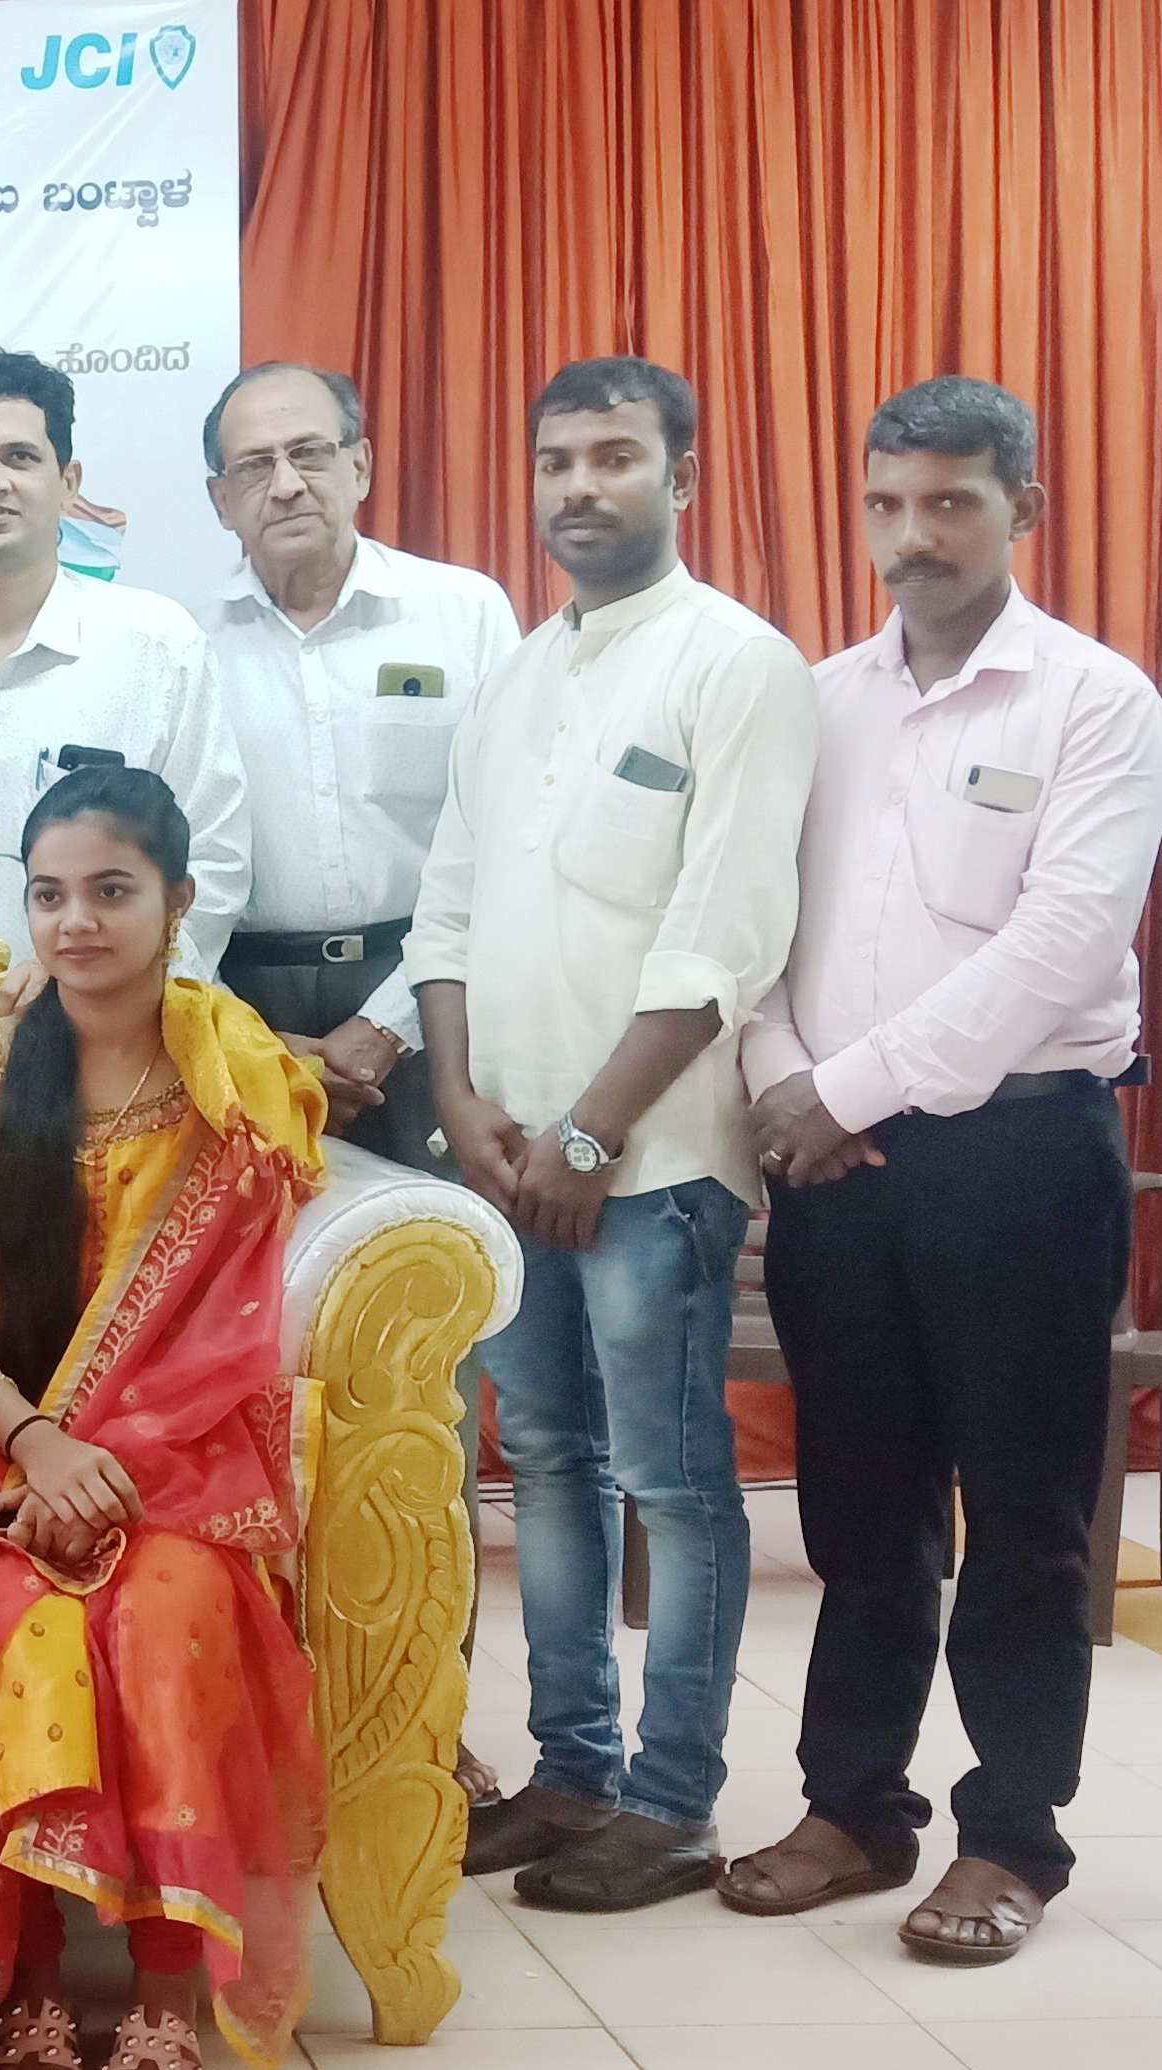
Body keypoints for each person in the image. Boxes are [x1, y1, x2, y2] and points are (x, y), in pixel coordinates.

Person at [719, 378, 1162, 1963]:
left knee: (1027, 1515)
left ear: (1022, 511)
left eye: (950, 503)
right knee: (857, 1509)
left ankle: (1012, 1838)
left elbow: (1063, 948)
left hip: (1019, 1154)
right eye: (886, 504)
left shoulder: (1096, 702)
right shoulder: (817, 701)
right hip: (834, 1166)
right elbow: (753, 925)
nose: (910, 537)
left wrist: (842, 1088)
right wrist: (781, 1082)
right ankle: (854, 1808)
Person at [406, 357, 814, 1914]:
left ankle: (674, 1801)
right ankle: (573, 1772)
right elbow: (449, 907)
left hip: (653, 1168)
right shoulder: (517, 679)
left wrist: (590, 1136)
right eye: (556, 458)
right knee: (549, 1465)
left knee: (672, 1480)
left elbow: (726, 935)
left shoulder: (738, 665)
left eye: (615, 457)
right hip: (511, 1157)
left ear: (681, 477)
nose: (580, 486)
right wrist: (461, 1103)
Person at [0, 765, 336, 2070]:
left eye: (110, 891)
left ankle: (164, 1986)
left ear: (178, 901)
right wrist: (36, 1443)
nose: (75, 921)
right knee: (8, 1620)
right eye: (48, 895)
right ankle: (27, 1970)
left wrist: (105, 1461)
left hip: (177, 1450)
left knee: (165, 1612)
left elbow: (228, 1322)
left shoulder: (231, 1075)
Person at [197, 362, 523, 1167]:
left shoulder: (465, 613)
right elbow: (169, 862)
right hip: (246, 1007)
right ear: (220, 501)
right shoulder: (183, 644)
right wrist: (252, 1040)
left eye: (309, 453)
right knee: (264, 1243)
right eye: (255, 465)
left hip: (437, 996)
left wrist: (388, 1023)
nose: (286, 486)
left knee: (447, 1238)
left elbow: (509, 835)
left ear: (361, 465)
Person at [0, 349, 240, 971]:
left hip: (116, 1020)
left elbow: (213, 864)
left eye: (20, 457)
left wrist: (98, 999)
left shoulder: (157, 645)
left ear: (69, 482)